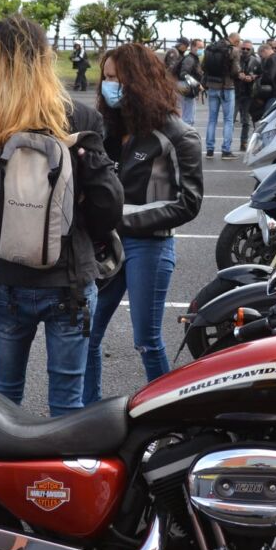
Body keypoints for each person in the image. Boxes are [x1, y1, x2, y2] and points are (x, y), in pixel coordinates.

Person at [0, 14, 123, 417]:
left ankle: (5, 461)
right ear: (44, 60)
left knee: (4, 398)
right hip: (69, 280)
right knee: (67, 404)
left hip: (4, 278)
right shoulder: (78, 120)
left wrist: (9, 235)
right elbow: (108, 207)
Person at [83, 42, 204, 402]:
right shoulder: (106, 129)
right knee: (86, 335)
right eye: (106, 78)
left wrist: (120, 218)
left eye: (117, 79)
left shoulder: (178, 135)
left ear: (139, 81)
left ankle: (167, 414)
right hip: (106, 246)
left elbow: (188, 203)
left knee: (147, 340)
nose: (110, 86)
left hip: (149, 246)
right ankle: (86, 413)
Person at [202, 33, 243, 160]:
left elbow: (203, 66)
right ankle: (226, 151)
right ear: (236, 41)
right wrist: (240, 74)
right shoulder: (233, 50)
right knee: (228, 120)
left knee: (212, 119)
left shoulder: (210, 48)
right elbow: (235, 71)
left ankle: (209, 150)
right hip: (227, 87)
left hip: (212, 86)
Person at [164, 37, 199, 125]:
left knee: (181, 107)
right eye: (186, 46)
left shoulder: (180, 54)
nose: (186, 48)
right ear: (182, 45)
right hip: (172, 82)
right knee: (179, 107)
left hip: (176, 83)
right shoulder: (173, 52)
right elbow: (172, 69)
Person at [235, 40, 260, 148]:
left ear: (251, 49)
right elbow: (228, 71)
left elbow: (261, 74)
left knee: (246, 120)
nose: (245, 50)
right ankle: (227, 144)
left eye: (247, 49)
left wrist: (253, 77)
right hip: (235, 92)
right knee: (230, 119)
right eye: (243, 48)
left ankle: (244, 142)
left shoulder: (256, 60)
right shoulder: (235, 59)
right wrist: (237, 74)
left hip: (248, 93)